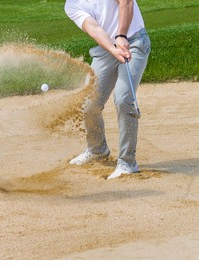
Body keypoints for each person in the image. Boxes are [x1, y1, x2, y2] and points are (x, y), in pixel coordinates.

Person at [65, 0, 151, 179]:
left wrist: (121, 35)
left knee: (123, 99)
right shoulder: (71, 5)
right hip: (107, 49)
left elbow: (126, 2)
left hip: (134, 41)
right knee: (89, 103)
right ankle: (98, 149)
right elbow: (94, 29)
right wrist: (113, 49)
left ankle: (127, 162)